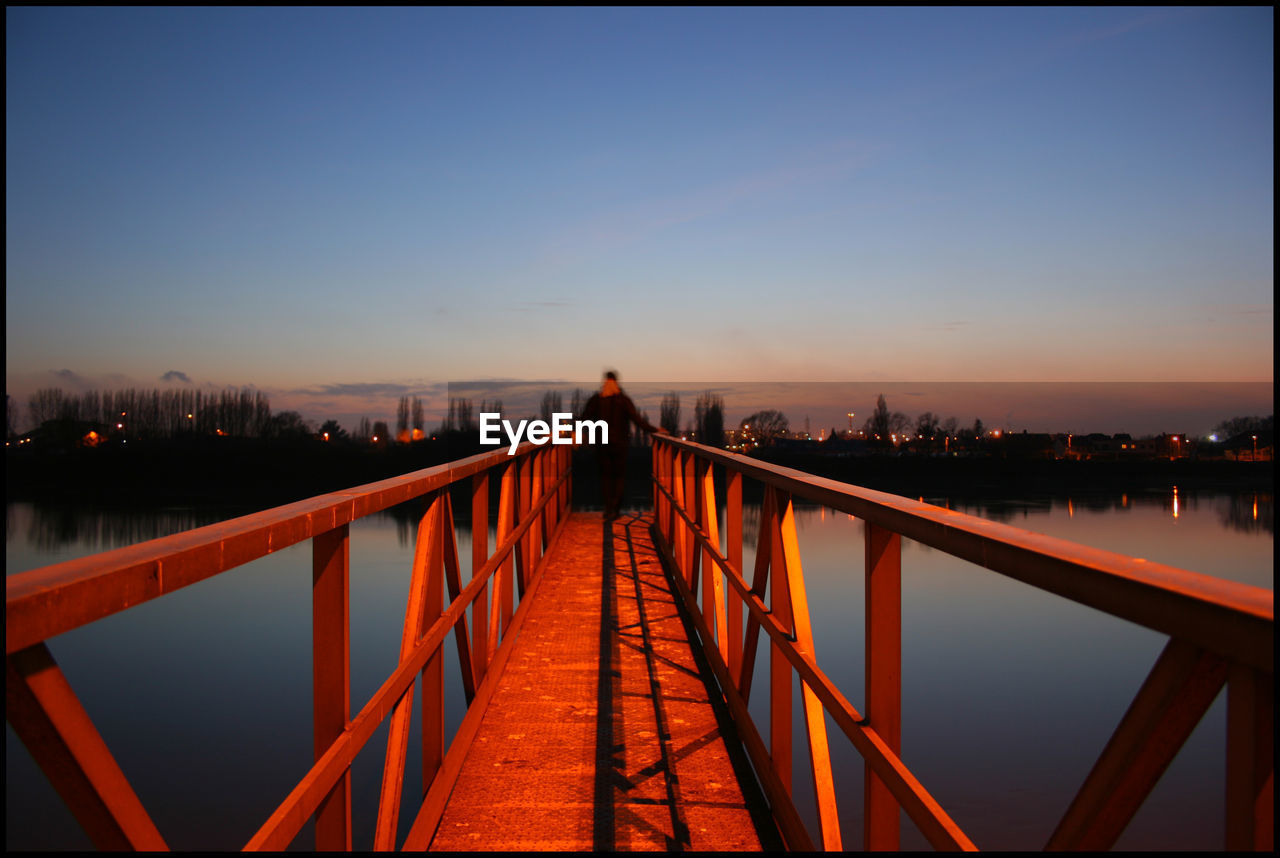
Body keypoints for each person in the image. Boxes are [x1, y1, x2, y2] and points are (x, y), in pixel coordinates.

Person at [581, 370, 664, 521]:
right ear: (617, 383)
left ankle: (608, 509)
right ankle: (615, 510)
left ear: (604, 382)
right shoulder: (624, 400)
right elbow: (637, 419)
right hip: (620, 445)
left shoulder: (596, 400)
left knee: (605, 477)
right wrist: (655, 430)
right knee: (619, 477)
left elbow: (584, 418)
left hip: (602, 444)